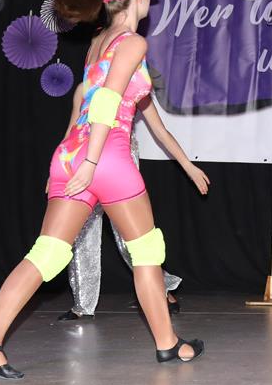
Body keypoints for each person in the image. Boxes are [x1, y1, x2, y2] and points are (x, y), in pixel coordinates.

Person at [0, 0, 202, 380]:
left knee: (47, 253)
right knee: (147, 254)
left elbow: (84, 101)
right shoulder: (133, 43)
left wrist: (67, 161)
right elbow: (106, 101)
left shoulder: (97, 43)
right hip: (105, 156)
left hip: (71, 154)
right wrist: (92, 163)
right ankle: (168, 344)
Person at [58, 95, 209, 321]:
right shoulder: (84, 88)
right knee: (81, 233)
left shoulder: (135, 88)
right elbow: (72, 132)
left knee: (132, 239)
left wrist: (189, 167)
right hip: (84, 162)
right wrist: (58, 169)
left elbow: (160, 131)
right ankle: (83, 304)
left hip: (120, 162)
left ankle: (161, 288)